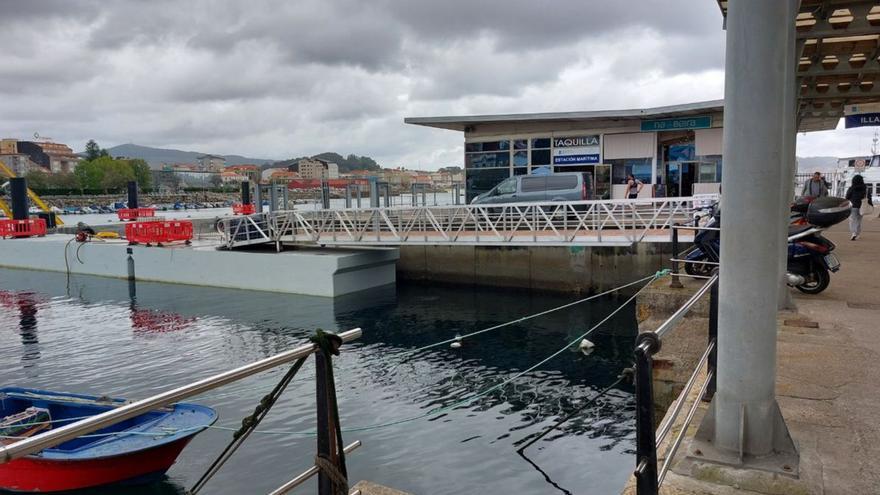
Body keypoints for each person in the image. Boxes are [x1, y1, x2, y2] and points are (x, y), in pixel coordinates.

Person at [845, 174, 873, 240]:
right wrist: (871, 204)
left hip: (853, 206)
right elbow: (869, 197)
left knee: (852, 220)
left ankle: (853, 233)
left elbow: (847, 197)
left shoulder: (851, 188)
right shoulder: (865, 188)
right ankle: (857, 234)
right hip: (862, 206)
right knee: (858, 221)